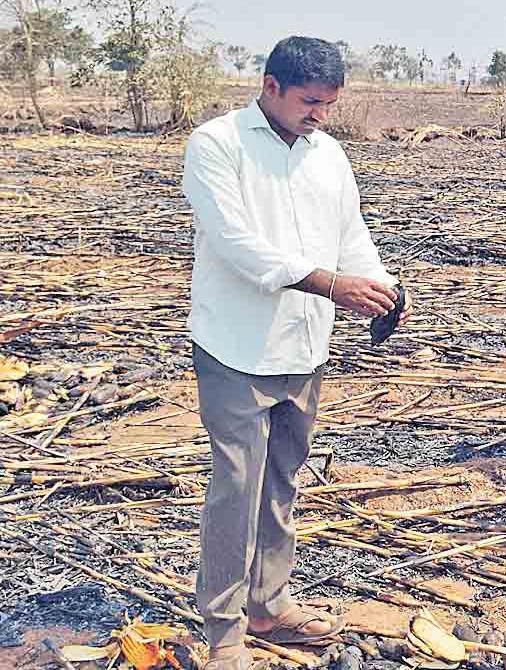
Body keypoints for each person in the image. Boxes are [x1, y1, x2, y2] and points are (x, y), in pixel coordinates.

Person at [182, 36, 411, 670]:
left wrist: (383, 287)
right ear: (271, 86)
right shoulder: (217, 144)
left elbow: (350, 236)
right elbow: (236, 245)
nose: (320, 115)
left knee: (282, 478)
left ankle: (268, 603)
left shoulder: (328, 155)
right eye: (310, 101)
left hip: (305, 345)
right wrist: (333, 286)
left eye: (329, 104)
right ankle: (224, 631)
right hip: (236, 344)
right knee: (237, 485)